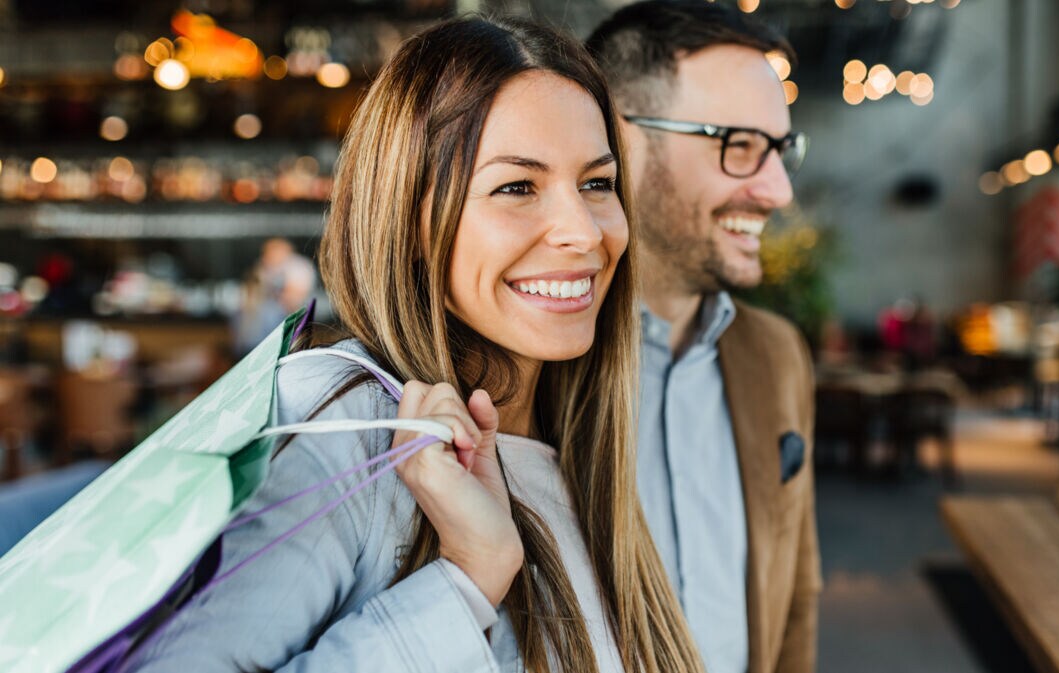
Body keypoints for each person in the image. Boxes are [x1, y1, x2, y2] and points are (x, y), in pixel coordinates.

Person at [127, 16, 703, 673]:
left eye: (597, 183)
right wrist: (464, 583)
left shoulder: (587, 436)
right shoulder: (341, 429)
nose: (584, 231)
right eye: (517, 187)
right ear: (409, 220)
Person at [587, 3, 821, 672]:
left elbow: (796, 593)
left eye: (779, 151)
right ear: (620, 141)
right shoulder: (533, 364)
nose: (777, 191)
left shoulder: (777, 354)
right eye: (738, 145)